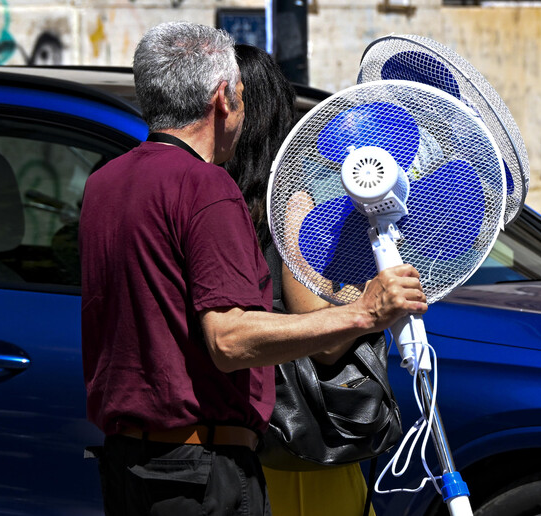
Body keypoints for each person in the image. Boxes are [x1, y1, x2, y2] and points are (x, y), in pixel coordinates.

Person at [79, 21, 427, 516]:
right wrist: (364, 313)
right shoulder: (205, 186)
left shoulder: (105, 183)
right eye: (239, 97)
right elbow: (228, 339)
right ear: (223, 98)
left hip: (128, 463)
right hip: (199, 469)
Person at [225, 43, 378, 516]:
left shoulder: (213, 206)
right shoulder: (295, 207)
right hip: (297, 458)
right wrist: (367, 301)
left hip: (235, 445)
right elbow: (326, 339)